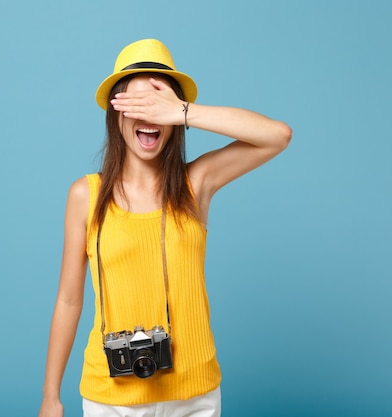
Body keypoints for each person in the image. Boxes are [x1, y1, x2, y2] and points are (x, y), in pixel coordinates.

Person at [38, 38, 292, 417]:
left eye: (158, 105)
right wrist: (51, 397)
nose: (149, 117)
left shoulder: (196, 184)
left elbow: (278, 136)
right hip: (111, 395)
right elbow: (69, 300)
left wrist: (185, 111)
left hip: (194, 394)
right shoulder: (85, 196)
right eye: (137, 105)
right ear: (115, 113)